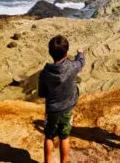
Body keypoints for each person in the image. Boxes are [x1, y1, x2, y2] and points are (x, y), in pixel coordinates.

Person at [38, 35, 85, 163]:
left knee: (49, 137)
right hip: (67, 109)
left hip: (52, 110)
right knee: (64, 137)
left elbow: (41, 93)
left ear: (50, 52)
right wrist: (80, 53)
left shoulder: (44, 73)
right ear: (67, 52)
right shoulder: (72, 67)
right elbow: (81, 62)